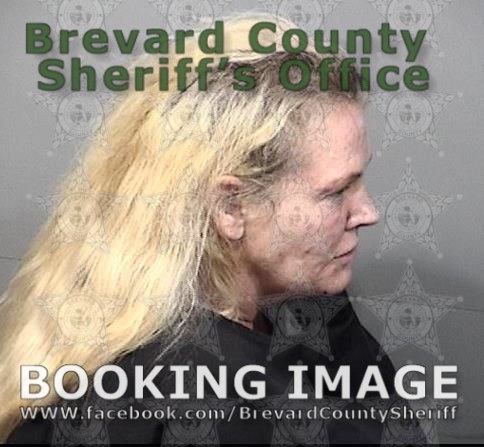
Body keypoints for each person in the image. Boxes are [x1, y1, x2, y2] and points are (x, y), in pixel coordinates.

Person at [0, 13, 427, 446]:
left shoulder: (307, 297)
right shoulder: (183, 405)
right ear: (231, 207)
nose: (368, 212)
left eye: (359, 181)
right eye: (336, 192)